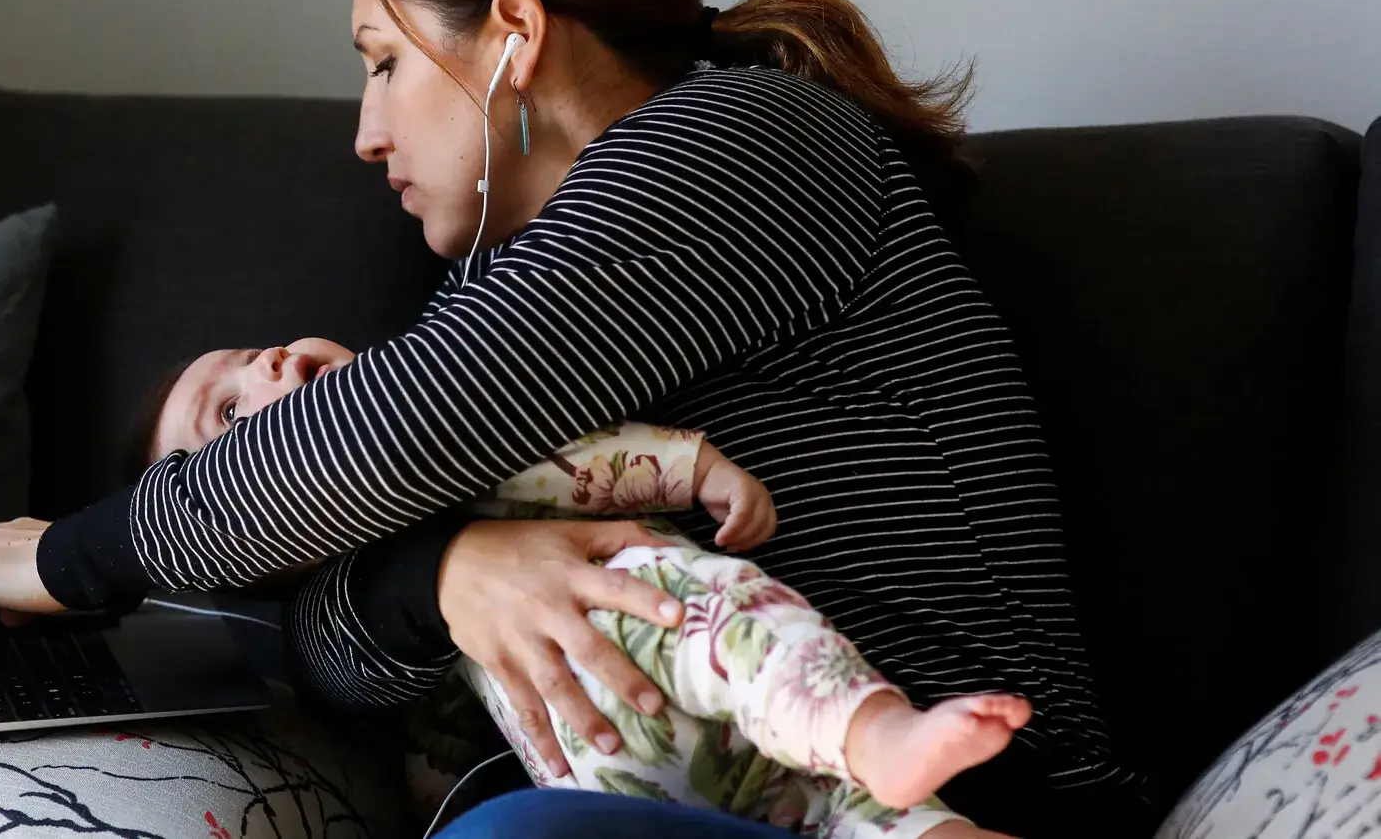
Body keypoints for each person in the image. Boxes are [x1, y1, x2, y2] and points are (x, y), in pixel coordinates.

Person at [0, 0, 1148, 834]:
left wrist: (64, 557)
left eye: (383, 61)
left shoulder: (746, 140)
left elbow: (381, 436)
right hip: (705, 796)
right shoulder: (518, 279)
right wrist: (456, 568)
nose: (364, 131)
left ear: (513, 32)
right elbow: (331, 656)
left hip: (967, 785)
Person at [128, 337, 1032, 835]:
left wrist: (693, 468)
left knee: (723, 626)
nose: (268, 370)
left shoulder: (433, 441)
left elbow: (577, 464)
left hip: (684, 649)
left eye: (256, 350)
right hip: (602, 771)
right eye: (230, 415)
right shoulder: (327, 625)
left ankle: (877, 735)